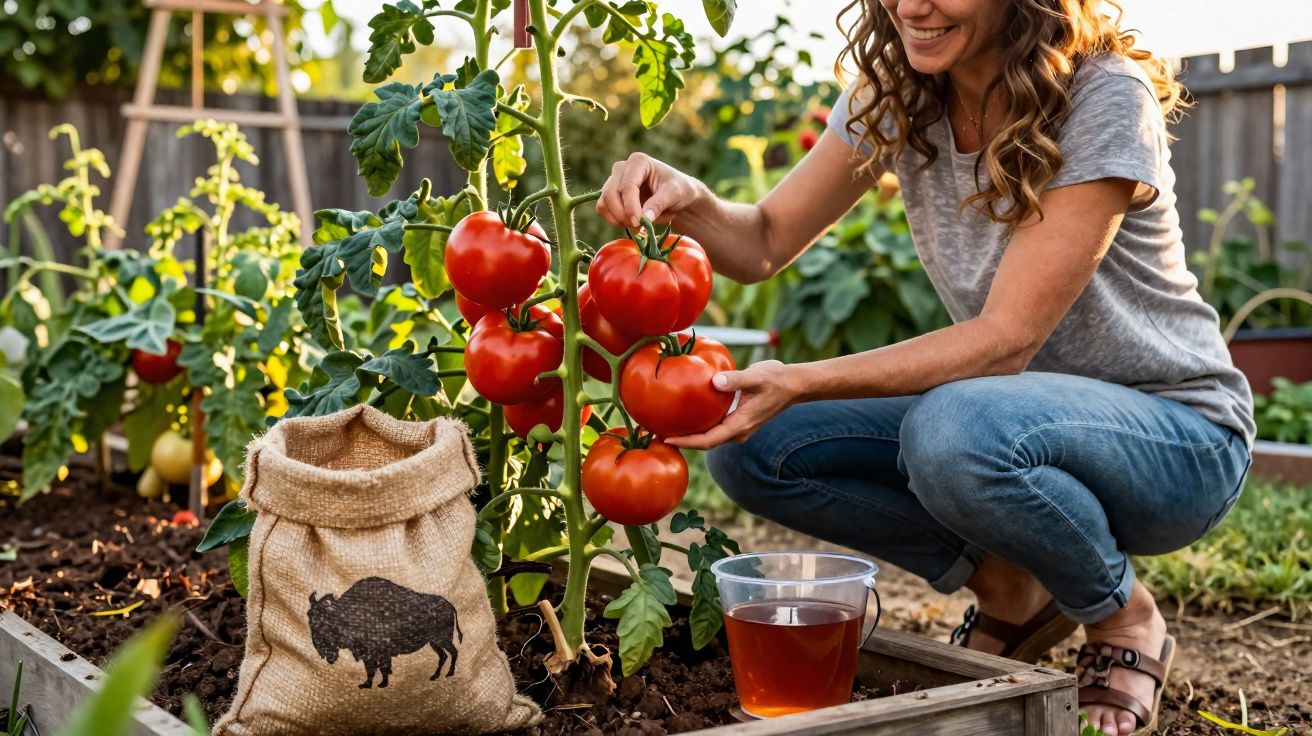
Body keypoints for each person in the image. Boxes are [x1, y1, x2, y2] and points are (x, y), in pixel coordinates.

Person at [594, 1, 1254, 734]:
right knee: (757, 445)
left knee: (953, 427)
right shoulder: (899, 90)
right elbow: (764, 241)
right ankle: (1014, 593)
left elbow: (1006, 340)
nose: (911, 7)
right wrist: (691, 204)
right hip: (1012, 423)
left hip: (1175, 439)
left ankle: (1124, 620)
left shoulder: (1103, 94)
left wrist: (802, 379)